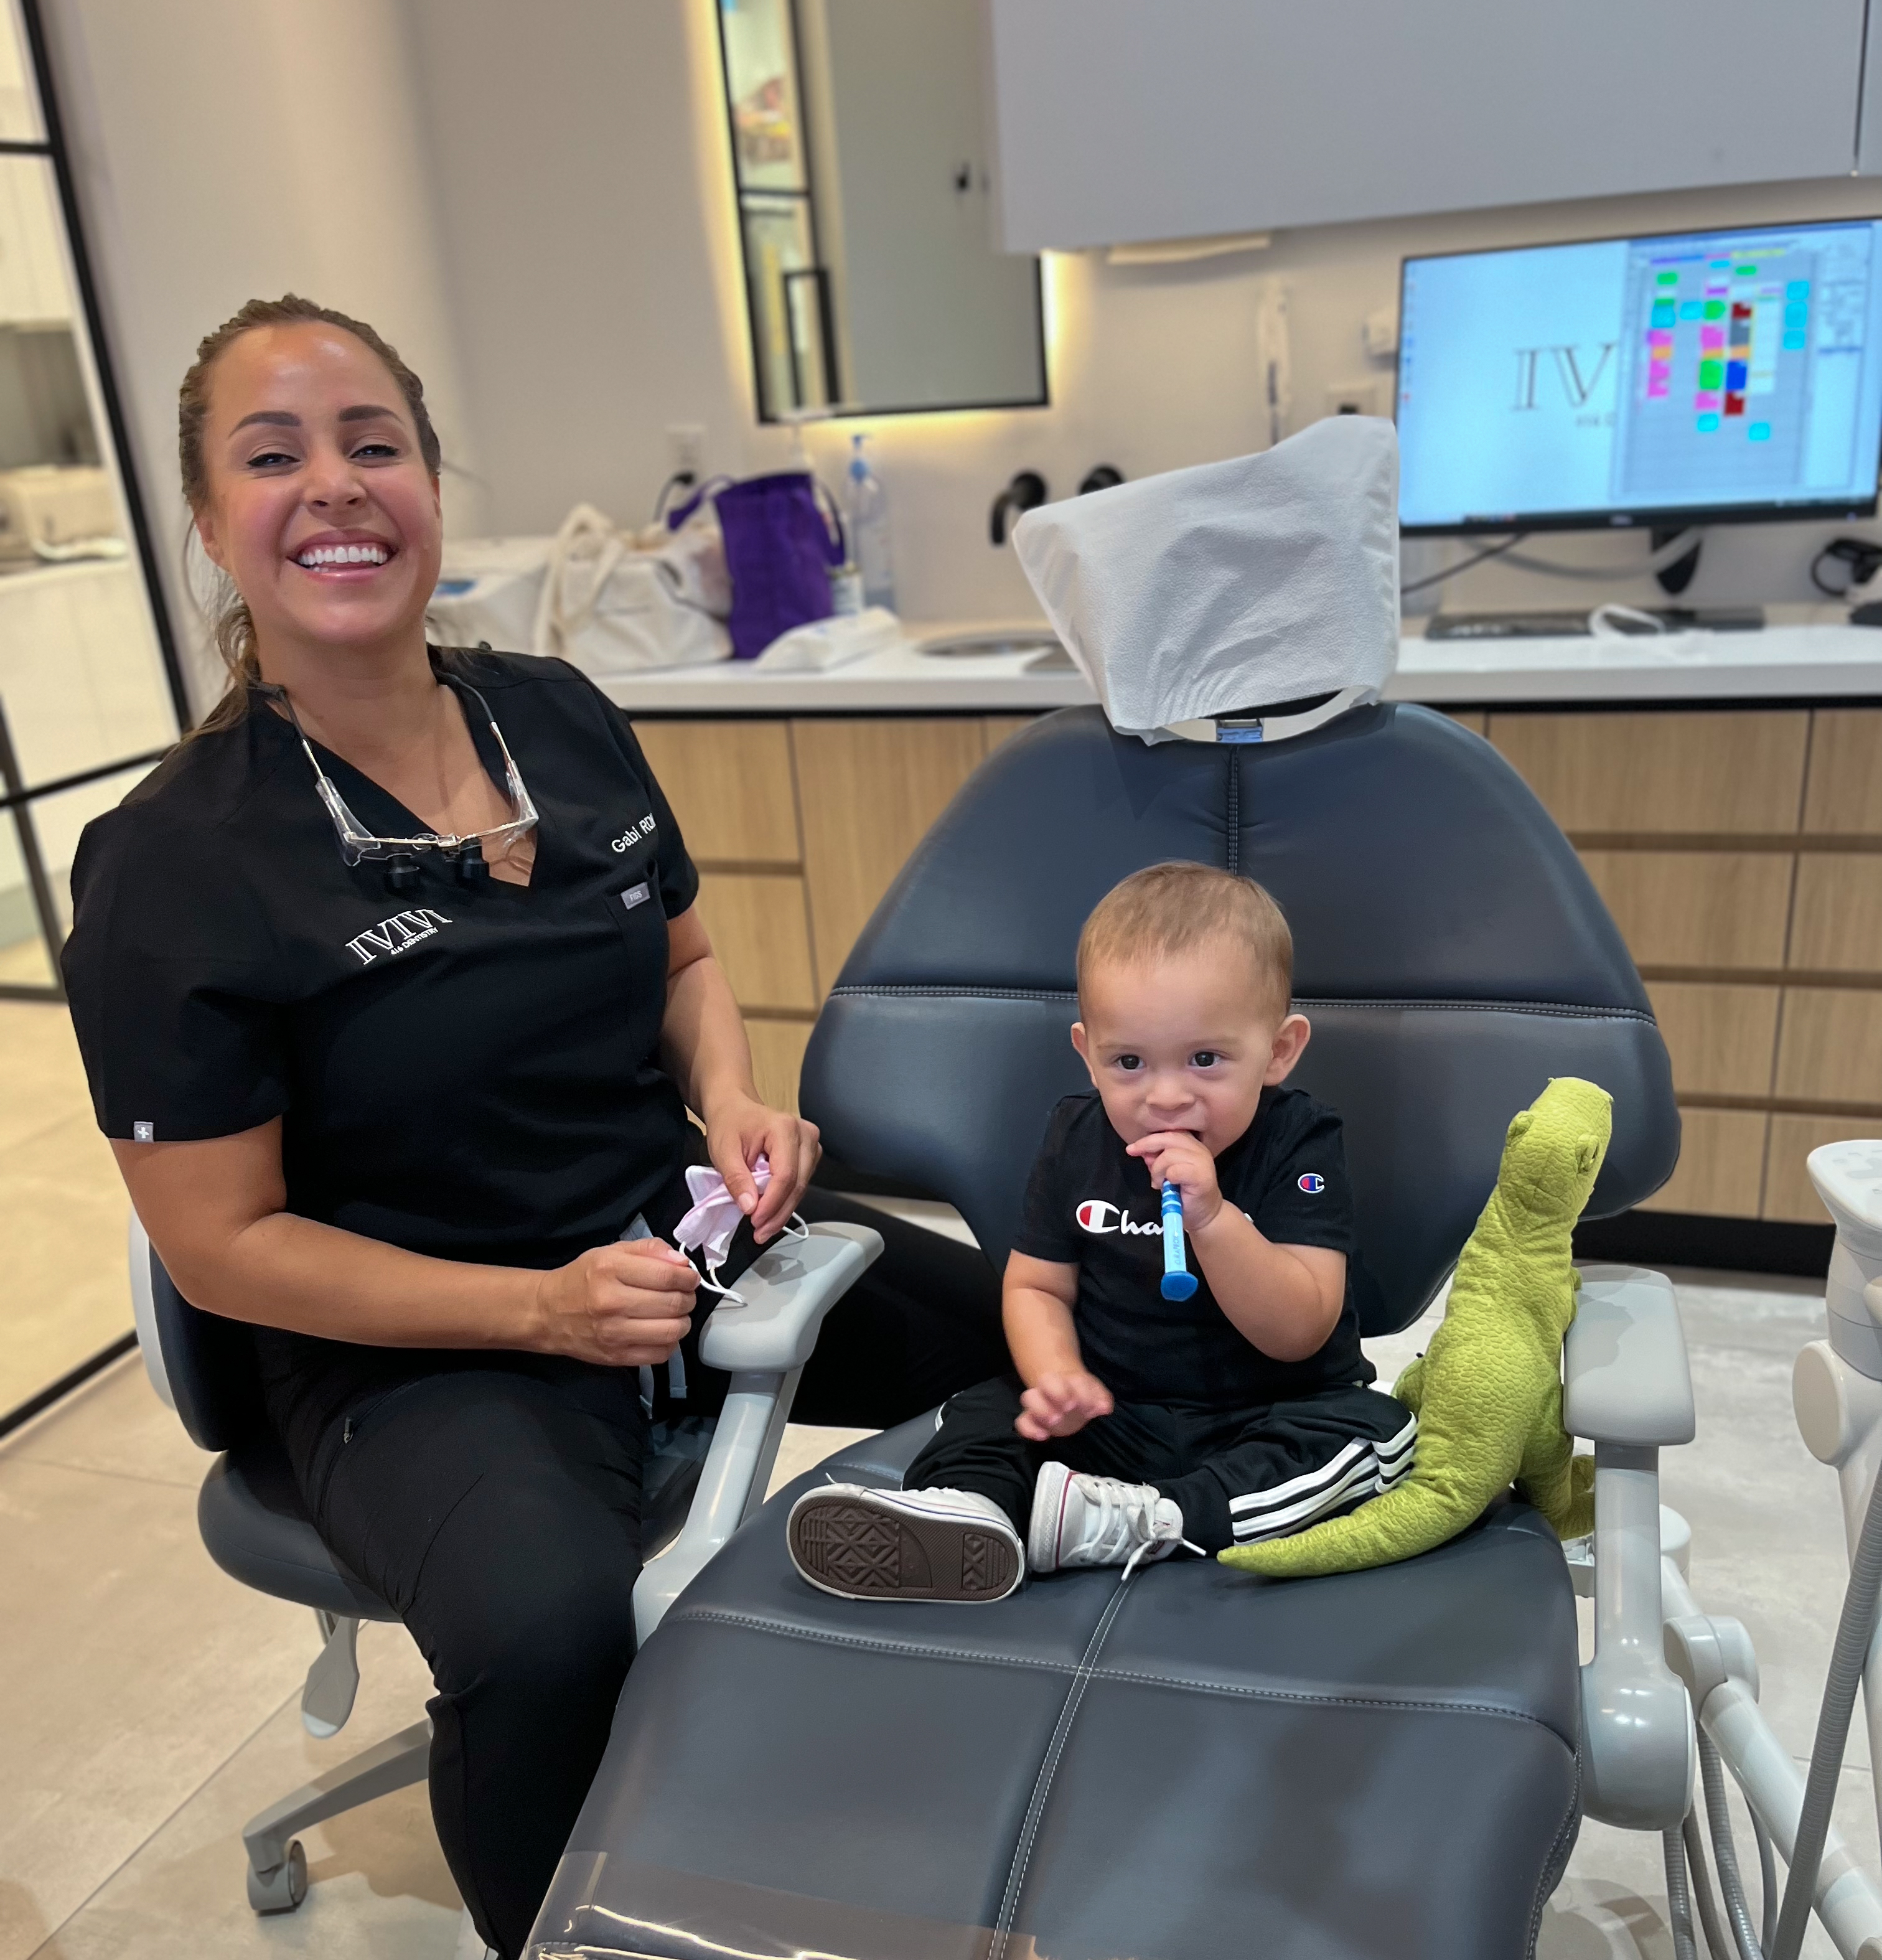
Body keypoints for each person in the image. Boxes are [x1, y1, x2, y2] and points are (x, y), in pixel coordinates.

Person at [59, 294, 1004, 1958]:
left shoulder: (555, 712)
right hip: (415, 1343)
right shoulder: (174, 863)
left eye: (374, 443)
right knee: (550, 1630)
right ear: (208, 520)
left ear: (430, 480)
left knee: (1042, 1326)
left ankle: (963, 1671)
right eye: (272, 456)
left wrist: (732, 1098)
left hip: (673, 1237)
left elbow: (684, 960)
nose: (335, 485)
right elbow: (223, 1245)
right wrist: (542, 1310)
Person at [785, 862, 1417, 1602]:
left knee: (1375, 1435)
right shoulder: (1076, 1137)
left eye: (1206, 1059)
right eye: (1129, 1062)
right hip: (1116, 1411)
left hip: (1269, 1409)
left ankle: (1156, 1519)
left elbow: (1301, 1329)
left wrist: (1213, 1218)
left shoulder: (1299, 1141)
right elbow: (1036, 1286)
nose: (1166, 1096)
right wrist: (1057, 1375)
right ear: (1088, 1053)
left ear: (1279, 1051)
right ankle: (970, 1510)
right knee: (985, 1409)